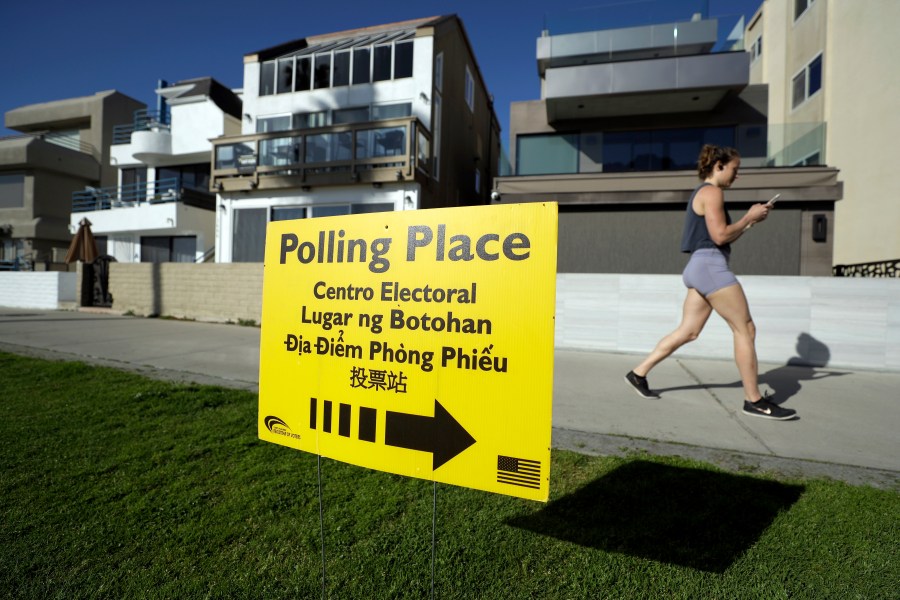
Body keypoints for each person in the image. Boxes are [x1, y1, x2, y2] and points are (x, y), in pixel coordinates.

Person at [624, 144, 797, 421]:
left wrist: (750, 224)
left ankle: (638, 373)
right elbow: (719, 237)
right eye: (734, 170)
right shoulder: (712, 192)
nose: (736, 176)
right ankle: (753, 401)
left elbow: (724, 236)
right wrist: (748, 217)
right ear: (718, 166)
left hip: (698, 266)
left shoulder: (702, 193)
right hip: (709, 265)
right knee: (746, 329)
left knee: (689, 331)